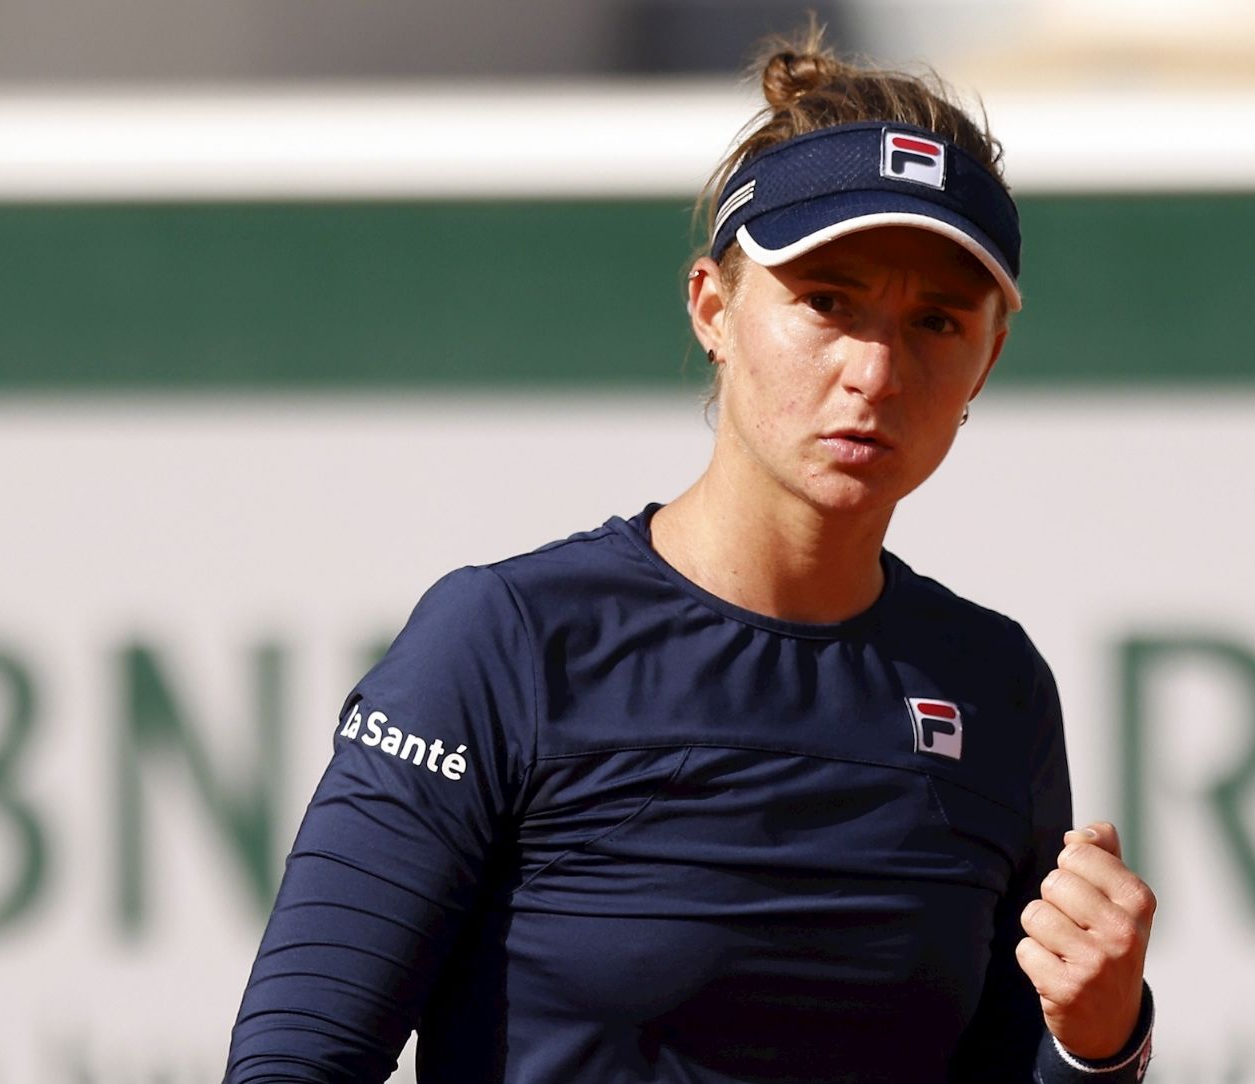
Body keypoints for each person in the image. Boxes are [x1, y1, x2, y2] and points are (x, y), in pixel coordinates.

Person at [224, 26, 1157, 1084]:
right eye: (827, 301)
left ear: (985, 361)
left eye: (936, 322)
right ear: (713, 306)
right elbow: (293, 1064)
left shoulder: (996, 689)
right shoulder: (505, 642)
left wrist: (1096, 1044)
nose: (875, 371)